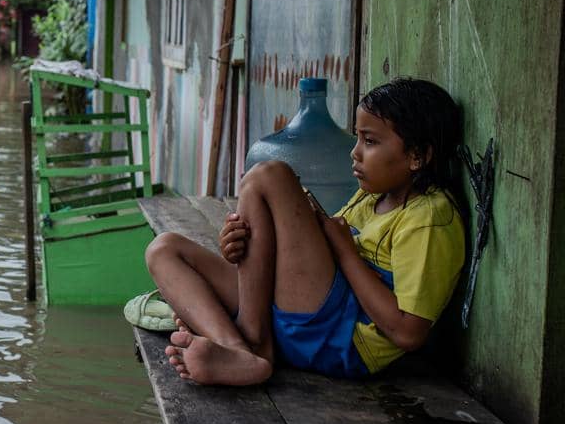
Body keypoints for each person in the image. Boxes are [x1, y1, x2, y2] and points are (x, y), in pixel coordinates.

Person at [145, 77, 466, 385]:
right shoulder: (372, 197)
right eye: (357, 138)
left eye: (369, 141)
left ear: (417, 156)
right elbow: (309, 253)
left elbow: (409, 333)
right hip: (305, 318)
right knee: (164, 249)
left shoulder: (429, 218)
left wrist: (345, 252)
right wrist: (240, 247)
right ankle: (237, 348)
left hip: (339, 339)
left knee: (268, 175)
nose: (354, 153)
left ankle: (251, 341)